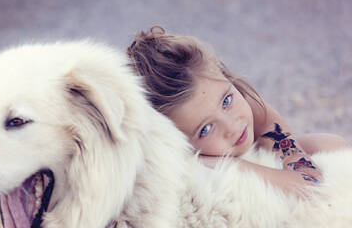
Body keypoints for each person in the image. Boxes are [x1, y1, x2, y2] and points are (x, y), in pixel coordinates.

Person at [127, 26, 350, 194]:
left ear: (227, 77)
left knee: (331, 144)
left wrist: (233, 165)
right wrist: (218, 167)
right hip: (226, 200)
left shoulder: (253, 105)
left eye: (226, 101)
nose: (232, 127)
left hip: (248, 160)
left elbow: (309, 181)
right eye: (205, 129)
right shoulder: (184, 168)